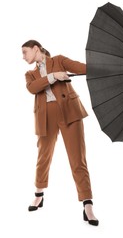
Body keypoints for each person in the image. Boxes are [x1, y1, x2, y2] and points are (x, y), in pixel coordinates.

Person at [22, 40, 99, 226]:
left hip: (70, 113)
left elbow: (82, 68)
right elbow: (32, 88)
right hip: (45, 117)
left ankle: (87, 204)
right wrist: (53, 76)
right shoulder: (30, 74)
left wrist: (105, 68)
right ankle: (39, 195)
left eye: (25, 52)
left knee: (77, 159)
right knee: (43, 157)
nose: (23, 57)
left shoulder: (59, 60)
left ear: (36, 48)